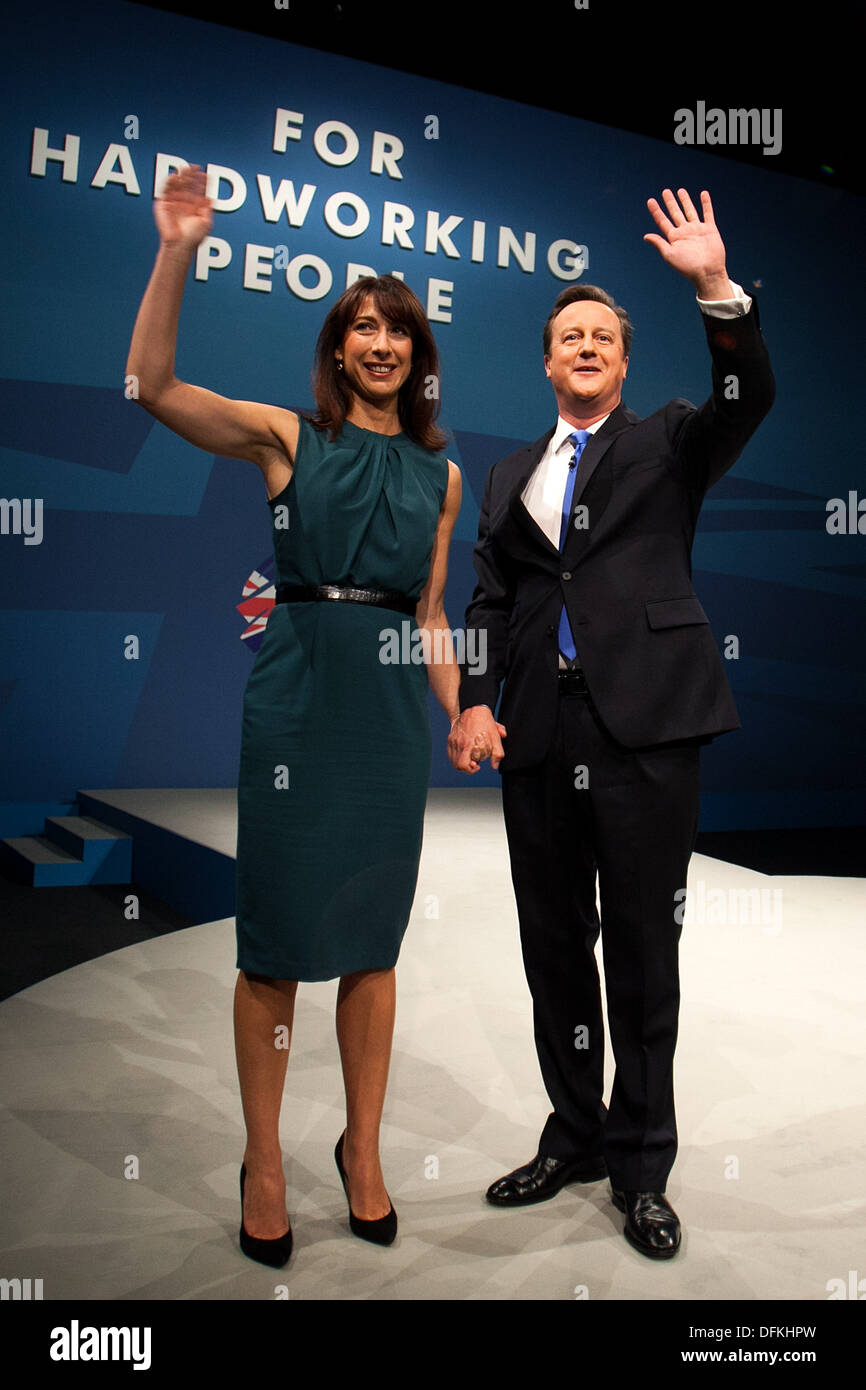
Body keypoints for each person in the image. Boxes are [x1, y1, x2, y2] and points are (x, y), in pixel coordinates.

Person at [126, 165, 462, 1266]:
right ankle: (262, 1158)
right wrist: (178, 249)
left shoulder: (440, 476)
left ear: (416, 356)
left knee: (371, 946)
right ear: (336, 351)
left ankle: (359, 1152)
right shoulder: (284, 437)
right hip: (296, 705)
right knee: (272, 945)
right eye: (359, 328)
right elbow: (155, 385)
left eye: (394, 330)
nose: (377, 343)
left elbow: (428, 612)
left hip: (384, 722)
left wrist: (464, 712)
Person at [448, 188, 775, 1259]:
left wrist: (711, 289)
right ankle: (574, 1135)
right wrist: (477, 698)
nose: (584, 346)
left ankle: (641, 1166)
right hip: (537, 736)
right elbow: (491, 598)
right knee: (554, 949)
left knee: (641, 951)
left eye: (600, 335)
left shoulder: (673, 440)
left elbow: (747, 393)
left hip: (643, 730)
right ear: (546, 365)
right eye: (566, 337)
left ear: (621, 366)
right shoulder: (507, 473)